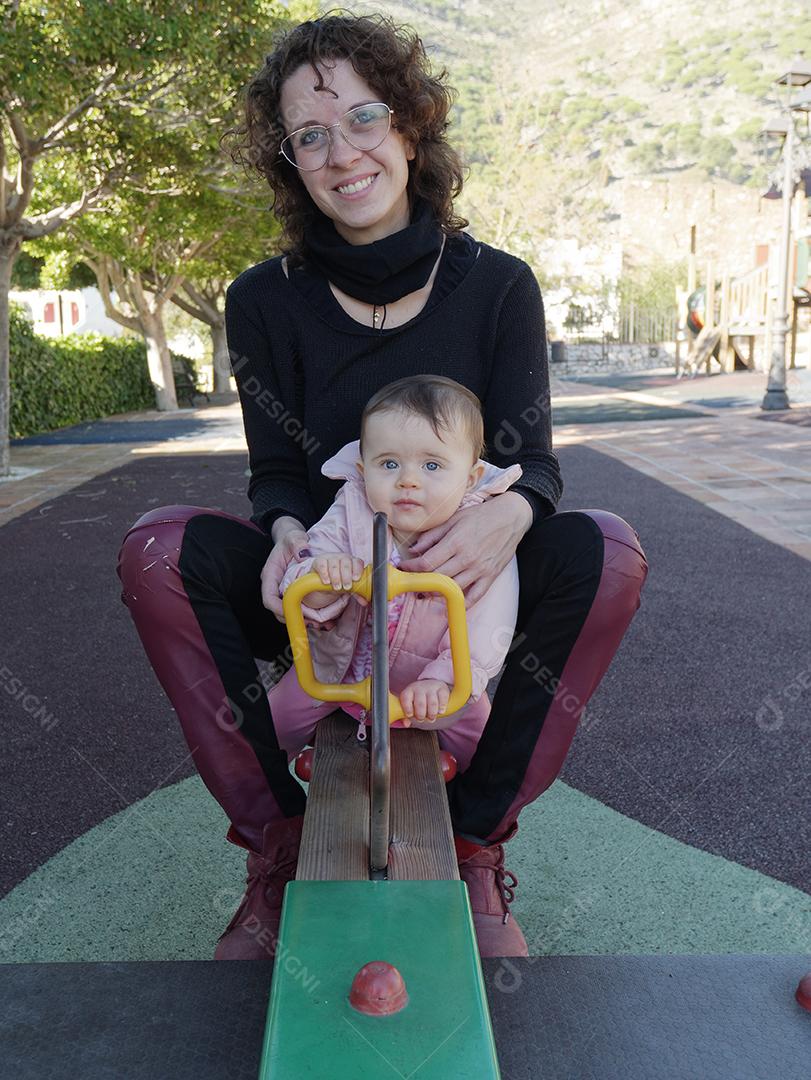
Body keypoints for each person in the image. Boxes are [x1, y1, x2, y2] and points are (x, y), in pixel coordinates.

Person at [116, 11, 649, 963]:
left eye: (363, 119)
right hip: (331, 579)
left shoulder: (496, 285)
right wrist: (284, 533)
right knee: (159, 548)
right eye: (308, 135)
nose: (340, 152)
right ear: (290, 161)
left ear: (408, 128)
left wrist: (511, 518)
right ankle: (278, 843)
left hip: (460, 579)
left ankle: (478, 840)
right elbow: (278, 473)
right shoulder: (261, 297)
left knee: (603, 549)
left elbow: (538, 459)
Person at [270, 373, 524, 770]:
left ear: (470, 477)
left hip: (434, 685)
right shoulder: (351, 509)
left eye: (432, 465)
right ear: (363, 466)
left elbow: (490, 622)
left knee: (491, 751)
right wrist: (322, 575)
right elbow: (301, 584)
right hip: (339, 674)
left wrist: (445, 680)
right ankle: (272, 805)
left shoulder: (477, 536)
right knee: (270, 727)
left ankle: (476, 820)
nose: (407, 480)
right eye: (389, 463)